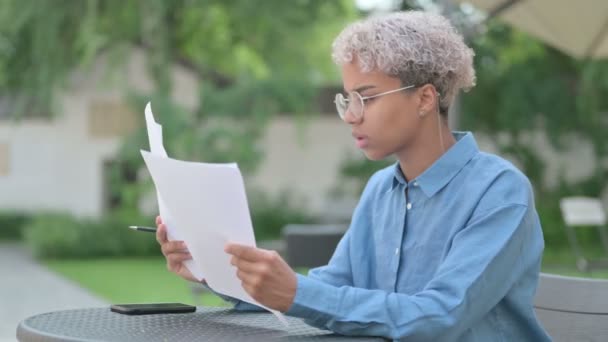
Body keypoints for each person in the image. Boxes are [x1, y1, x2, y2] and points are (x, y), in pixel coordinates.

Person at [156, 10, 551, 341]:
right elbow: (331, 288)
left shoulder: (499, 192)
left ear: (425, 99)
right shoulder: (382, 190)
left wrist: (296, 292)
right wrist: (215, 271)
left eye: (366, 97)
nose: (350, 115)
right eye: (347, 98)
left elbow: (439, 315)